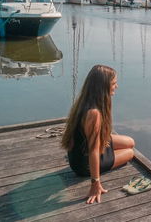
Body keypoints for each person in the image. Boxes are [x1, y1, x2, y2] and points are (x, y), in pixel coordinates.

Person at [61, 65, 135, 204]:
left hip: (83, 151)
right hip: (83, 164)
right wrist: (95, 183)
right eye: (114, 83)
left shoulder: (86, 101)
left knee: (130, 141)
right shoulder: (94, 113)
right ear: (103, 87)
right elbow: (93, 150)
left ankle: (107, 150)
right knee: (130, 153)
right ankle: (98, 168)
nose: (116, 86)